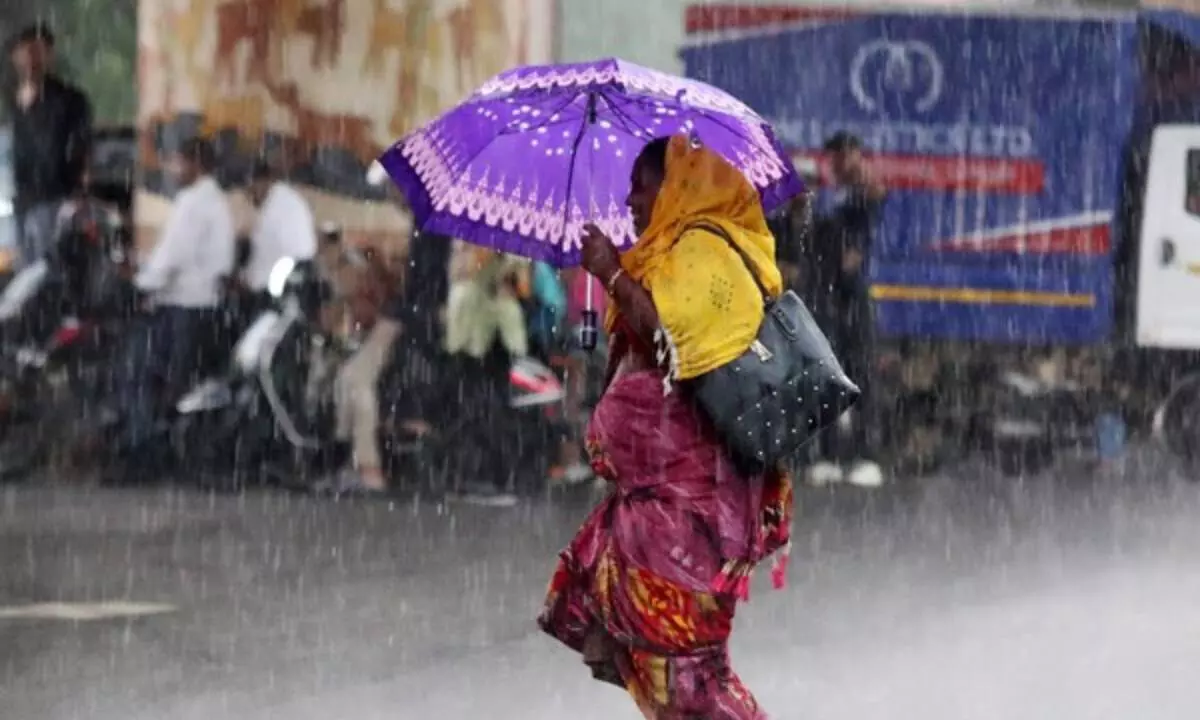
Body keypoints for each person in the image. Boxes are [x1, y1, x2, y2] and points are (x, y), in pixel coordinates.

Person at [538, 136, 793, 719]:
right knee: (671, 681)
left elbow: (674, 345)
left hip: (691, 510)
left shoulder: (703, 254)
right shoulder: (663, 255)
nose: (628, 198)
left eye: (641, 185)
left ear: (675, 187)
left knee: (689, 683)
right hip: (656, 505)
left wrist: (610, 273)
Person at [115, 137, 235, 461]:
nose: (172, 169)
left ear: (197, 164)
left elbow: (172, 258)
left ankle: (144, 448)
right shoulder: (208, 200)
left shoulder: (195, 203)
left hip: (184, 305)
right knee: (169, 380)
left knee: (143, 374)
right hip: (197, 305)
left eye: (178, 162)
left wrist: (139, 285)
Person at [807, 132, 887, 488]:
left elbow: (875, 194)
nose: (839, 162)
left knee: (861, 373)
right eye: (834, 156)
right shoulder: (830, 196)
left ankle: (867, 456)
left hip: (853, 296)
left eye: (844, 155)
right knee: (829, 375)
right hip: (827, 296)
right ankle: (829, 456)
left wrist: (861, 174)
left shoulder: (862, 192)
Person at [8, 23, 92, 268]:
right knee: (25, 270)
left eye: (37, 51)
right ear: (15, 57)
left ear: (49, 55)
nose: (31, 59)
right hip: (22, 199)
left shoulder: (69, 100)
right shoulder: (14, 101)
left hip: (56, 197)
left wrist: (79, 194)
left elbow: (83, 148)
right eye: (25, 52)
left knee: (48, 269)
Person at [243, 159, 317, 305]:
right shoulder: (289, 197)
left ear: (263, 182)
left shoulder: (272, 210)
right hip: (301, 273)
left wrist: (244, 282)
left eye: (251, 190)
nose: (250, 196)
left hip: (286, 277)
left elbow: (260, 269)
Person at [443, 243, 529, 361]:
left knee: (511, 310)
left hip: (496, 298)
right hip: (471, 290)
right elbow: (470, 270)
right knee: (464, 294)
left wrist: (511, 282)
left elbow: (525, 290)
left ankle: (519, 359)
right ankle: (458, 357)